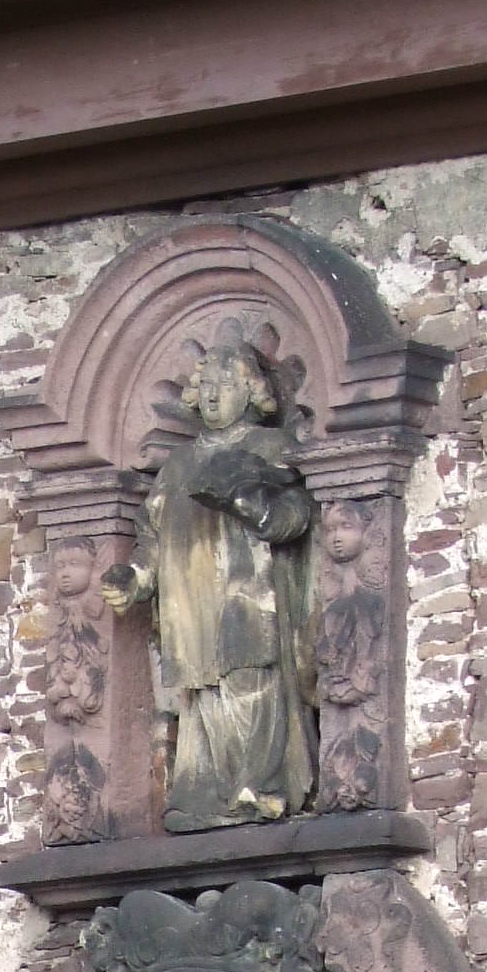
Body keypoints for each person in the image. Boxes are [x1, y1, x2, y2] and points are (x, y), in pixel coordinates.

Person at [103, 328, 320, 827]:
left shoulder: (270, 446)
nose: (215, 395)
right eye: (207, 385)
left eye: (227, 383)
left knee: (252, 682)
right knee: (202, 696)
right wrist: (134, 578)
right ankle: (203, 794)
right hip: (192, 602)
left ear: (252, 391)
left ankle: (261, 787)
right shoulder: (178, 465)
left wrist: (248, 502)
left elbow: (296, 514)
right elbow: (152, 534)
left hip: (251, 594)